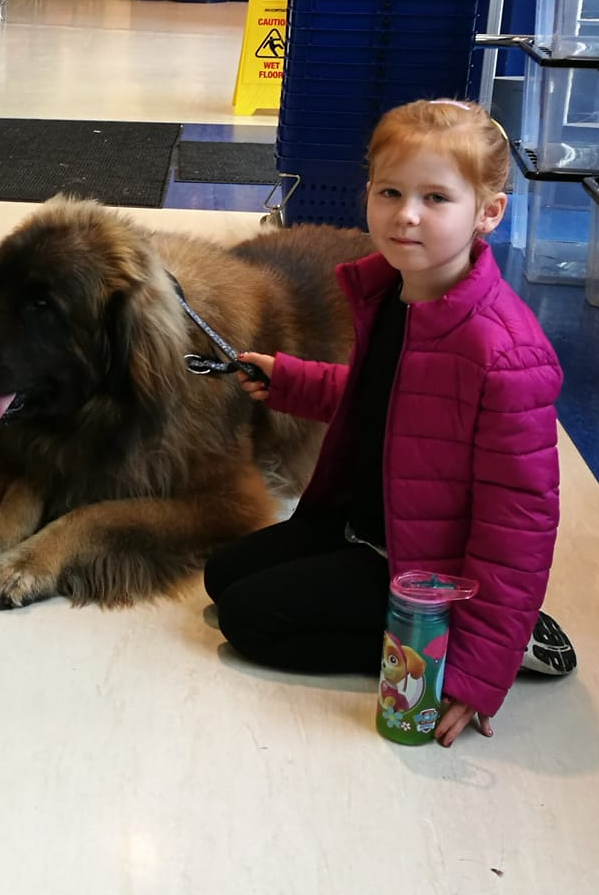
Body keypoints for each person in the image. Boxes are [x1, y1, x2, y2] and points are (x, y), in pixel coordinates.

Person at [204, 99, 576, 748]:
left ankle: (461, 641)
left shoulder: (505, 352)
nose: (406, 214)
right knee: (223, 575)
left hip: (425, 569)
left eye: (436, 198)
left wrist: (473, 673)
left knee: (247, 619)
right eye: (390, 191)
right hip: (368, 524)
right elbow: (395, 404)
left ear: (488, 212)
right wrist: (290, 379)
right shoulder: (395, 288)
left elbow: (519, 525)